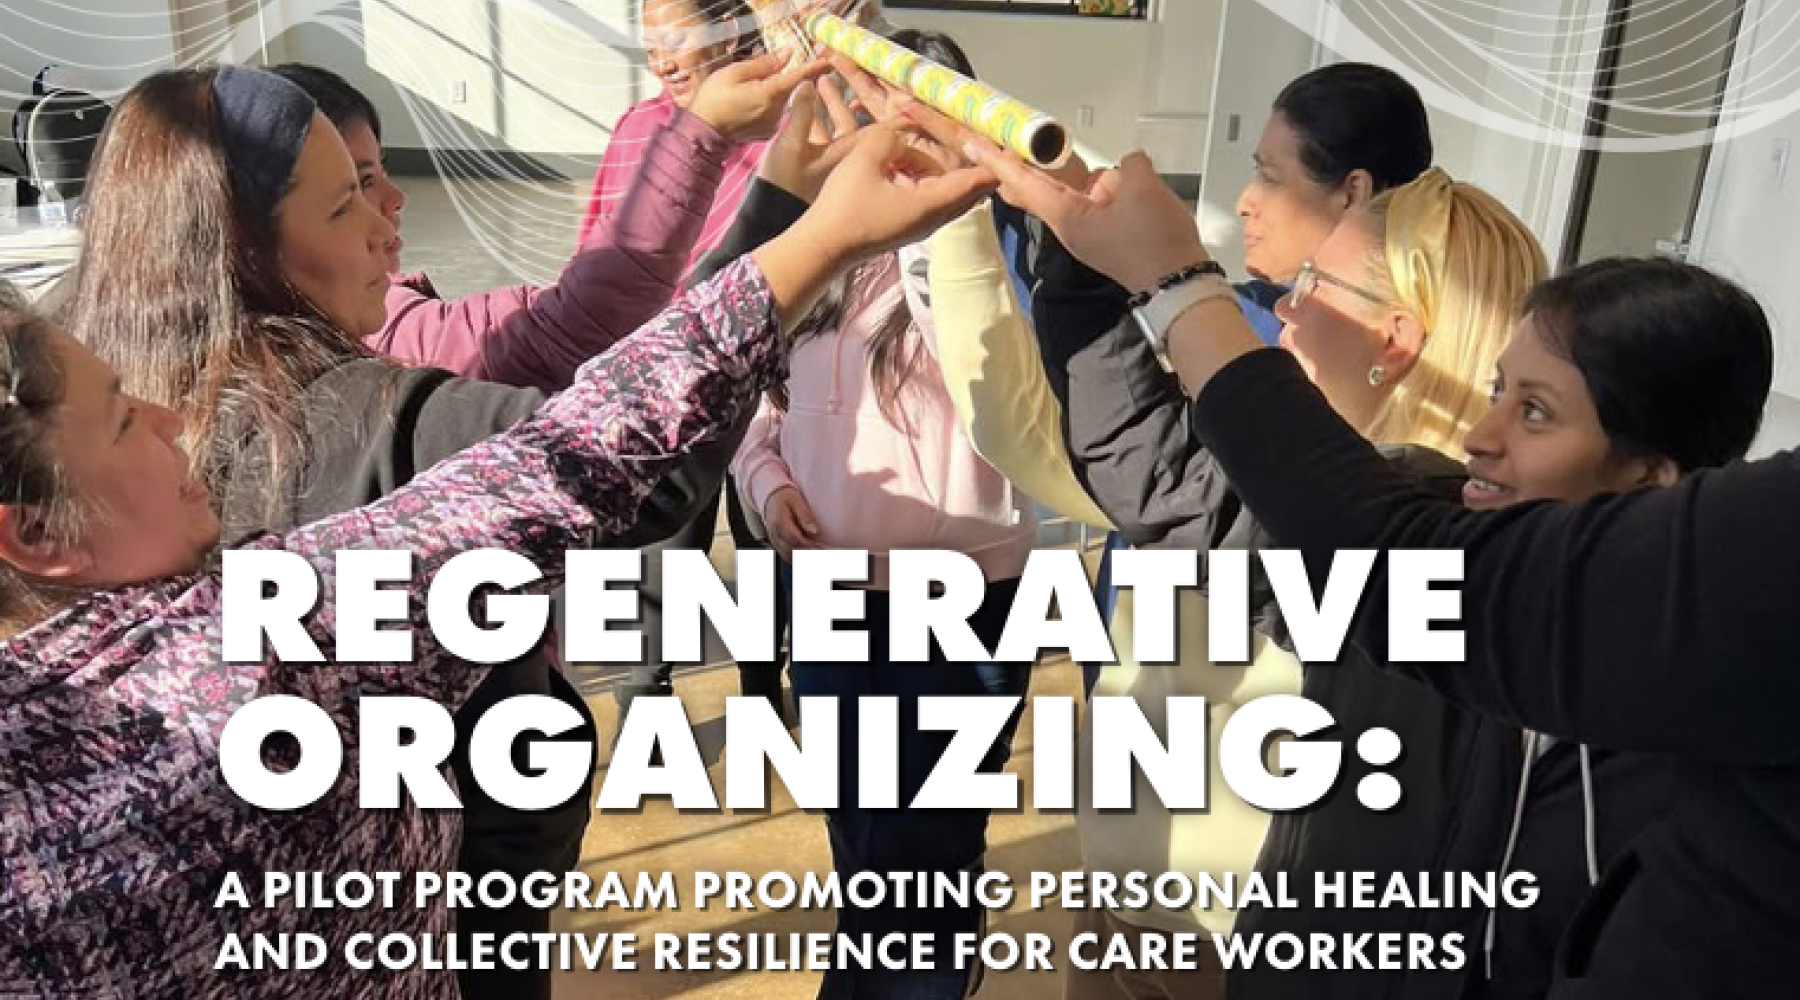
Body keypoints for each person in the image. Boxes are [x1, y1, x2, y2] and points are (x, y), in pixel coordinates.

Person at [0, 110, 995, 999]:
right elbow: (592, 453)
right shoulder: (243, 657)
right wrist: (807, 227)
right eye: (124, 421)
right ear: (32, 531)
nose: (169, 420)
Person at [972, 127, 1796, 1000]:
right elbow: (1167, 477)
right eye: (1494, 392)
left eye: (1537, 413)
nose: (1484, 435)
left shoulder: (1700, 756)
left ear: (1656, 479)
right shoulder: (1411, 527)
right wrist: (1084, 261)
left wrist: (1176, 284)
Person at [720, 69, 1038, 1000]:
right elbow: (751, 405)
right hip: (831, 598)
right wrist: (770, 484)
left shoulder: (981, 261)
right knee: (861, 831)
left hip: (964, 607)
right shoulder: (815, 257)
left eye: (911, 127)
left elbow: (1006, 387)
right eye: (864, 121)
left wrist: (948, 222)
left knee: (927, 839)